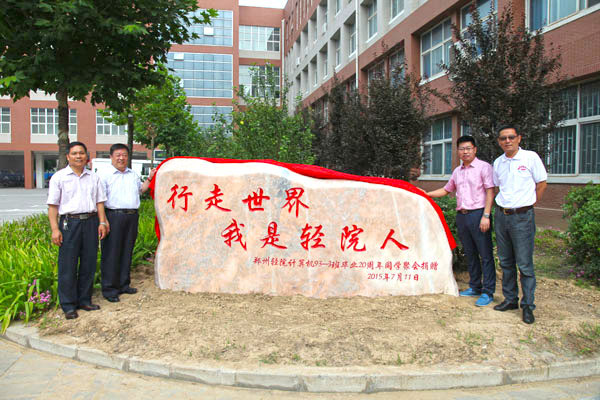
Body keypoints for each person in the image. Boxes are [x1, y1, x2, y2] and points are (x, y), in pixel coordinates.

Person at [427, 135, 496, 307]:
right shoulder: (457, 171)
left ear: (475, 149)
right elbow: (446, 190)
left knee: (485, 254)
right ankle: (475, 286)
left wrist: (486, 215)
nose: (465, 152)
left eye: (468, 148)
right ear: (457, 151)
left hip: (478, 215)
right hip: (462, 216)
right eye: (462, 149)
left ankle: (488, 291)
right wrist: (426, 194)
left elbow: (490, 191)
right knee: (470, 253)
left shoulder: (484, 167)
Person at [47, 142, 109, 320]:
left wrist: (102, 222)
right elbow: (53, 206)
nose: (78, 156)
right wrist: (55, 229)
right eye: (74, 153)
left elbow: (99, 202)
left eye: (81, 153)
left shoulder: (94, 177)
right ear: (68, 156)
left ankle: (84, 300)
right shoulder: (59, 177)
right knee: (68, 265)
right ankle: (68, 305)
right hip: (69, 224)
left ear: (86, 156)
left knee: (89, 263)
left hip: (90, 222)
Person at [492, 125, 547, 324]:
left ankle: (528, 306)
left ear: (519, 138)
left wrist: (529, 204)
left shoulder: (530, 158)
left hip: (522, 217)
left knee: (524, 264)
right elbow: (498, 187)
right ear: (499, 141)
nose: (507, 141)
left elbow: (541, 183)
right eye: (503, 138)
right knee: (505, 261)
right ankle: (510, 299)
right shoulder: (498, 162)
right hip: (502, 216)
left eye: (511, 137)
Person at [97, 143, 155, 303]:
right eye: (118, 155)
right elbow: (99, 200)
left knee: (127, 250)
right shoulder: (104, 175)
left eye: (124, 155)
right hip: (113, 216)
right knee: (112, 253)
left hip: (131, 216)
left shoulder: (132, 174)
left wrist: (150, 178)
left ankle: (124, 284)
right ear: (111, 157)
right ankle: (109, 289)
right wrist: (103, 220)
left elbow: (141, 190)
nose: (121, 158)